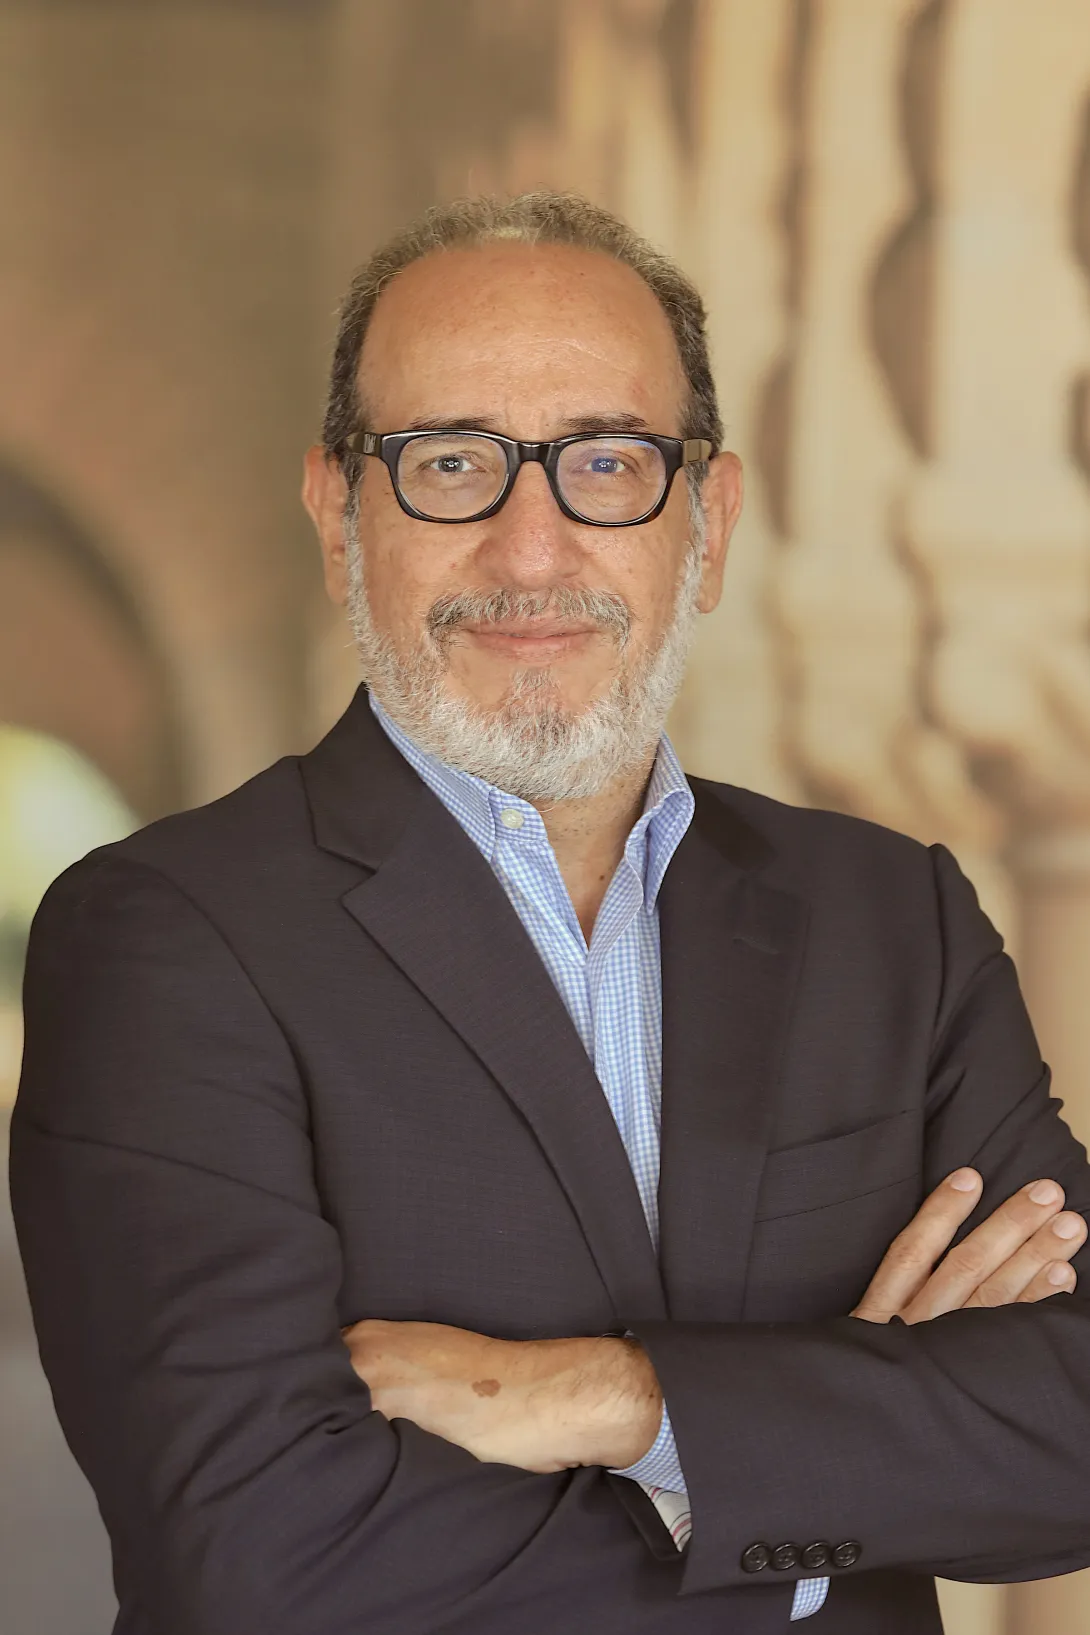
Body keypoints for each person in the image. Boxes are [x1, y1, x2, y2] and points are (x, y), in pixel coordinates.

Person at [9, 191, 1090, 1635]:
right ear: (341, 508)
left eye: (607, 461)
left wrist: (606, 1398)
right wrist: (837, 1432)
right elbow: (261, 1556)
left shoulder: (891, 917)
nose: (532, 548)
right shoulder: (164, 937)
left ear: (706, 520)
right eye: (451, 461)